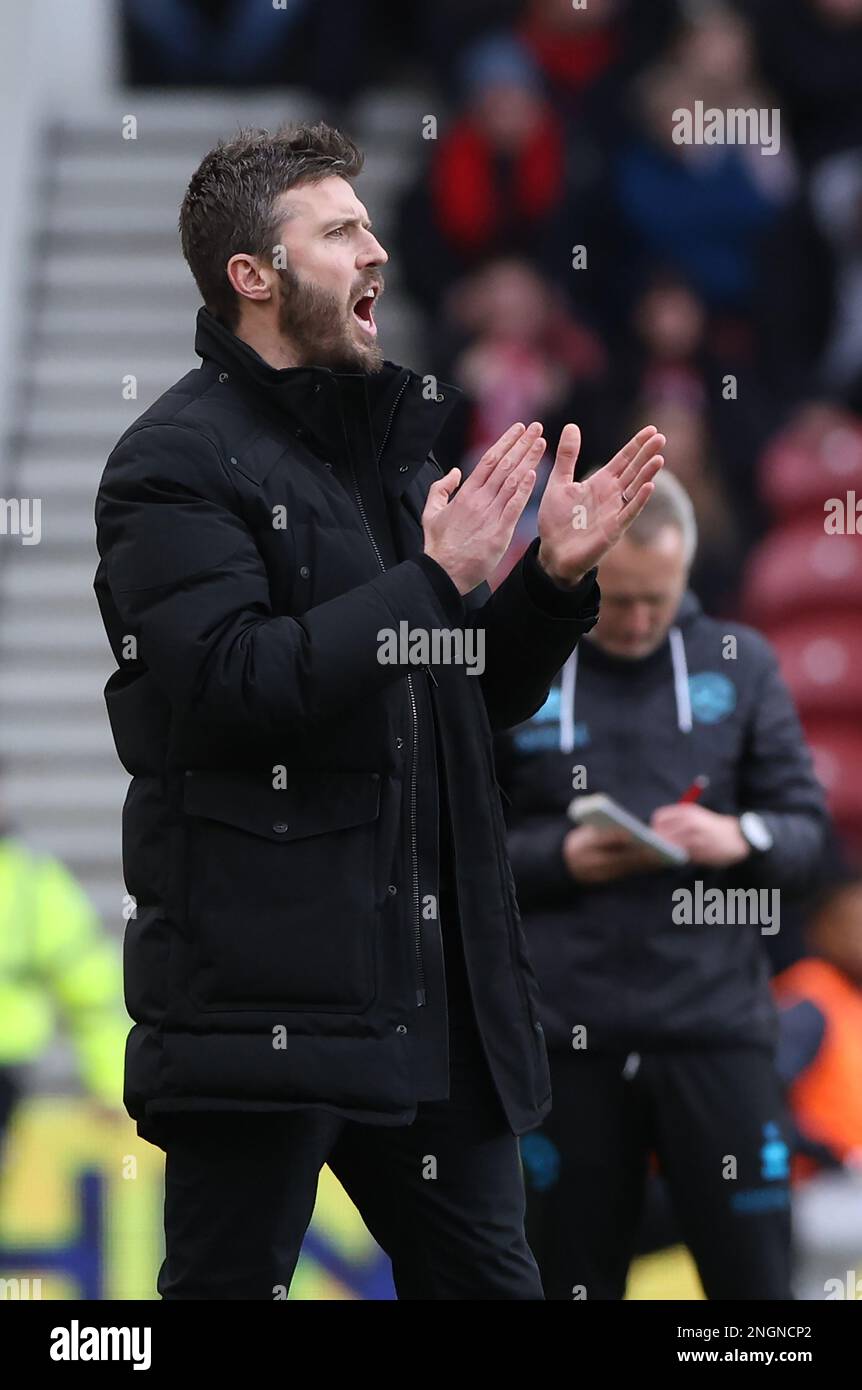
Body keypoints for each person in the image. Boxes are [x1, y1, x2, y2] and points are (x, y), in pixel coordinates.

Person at [93, 121, 665, 1300]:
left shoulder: (387, 463)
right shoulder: (172, 464)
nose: (377, 254)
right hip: (263, 1009)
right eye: (341, 229)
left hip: (429, 1004)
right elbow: (236, 685)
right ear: (254, 276)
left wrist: (550, 584)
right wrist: (433, 578)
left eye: (369, 225)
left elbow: (463, 702)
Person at [497, 469, 829, 1300]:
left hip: (715, 1031)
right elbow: (459, 849)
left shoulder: (741, 662)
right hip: (568, 1037)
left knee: (755, 1295)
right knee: (567, 1281)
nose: (641, 620)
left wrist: (735, 835)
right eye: (622, 599)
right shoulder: (521, 667)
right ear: (587, 566)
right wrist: (560, 859)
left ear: (687, 569)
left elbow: (805, 833)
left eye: (660, 597)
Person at [0, 798, 127, 1163]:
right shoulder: (31, 878)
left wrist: (110, 1083)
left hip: (6, 1067)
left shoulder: (31, 880)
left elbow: (90, 991)